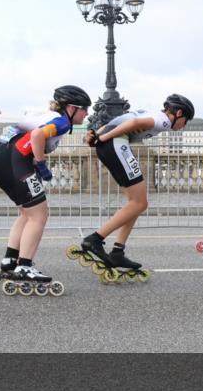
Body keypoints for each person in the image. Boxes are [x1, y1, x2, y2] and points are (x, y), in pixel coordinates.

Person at [78, 94, 196, 278]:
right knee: (139, 203)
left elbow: (114, 122)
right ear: (178, 113)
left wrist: (95, 135)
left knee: (136, 204)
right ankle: (95, 239)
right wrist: (103, 138)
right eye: (185, 120)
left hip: (111, 145)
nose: (184, 125)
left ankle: (118, 251)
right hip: (116, 145)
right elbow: (133, 124)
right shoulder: (163, 120)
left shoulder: (151, 113)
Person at [0, 85, 91, 293]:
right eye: (84, 109)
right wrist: (41, 164)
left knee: (27, 214)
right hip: (17, 163)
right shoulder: (62, 122)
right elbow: (36, 135)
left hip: (1, 161)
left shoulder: (48, 116)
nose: (87, 114)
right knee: (39, 216)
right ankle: (24, 266)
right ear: (71, 108)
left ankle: (10, 260)